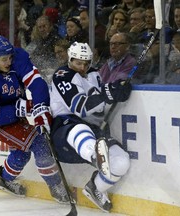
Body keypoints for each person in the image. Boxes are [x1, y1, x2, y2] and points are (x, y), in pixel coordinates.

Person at [0, 35, 68, 203]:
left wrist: (41, 107)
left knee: (22, 152)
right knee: (39, 143)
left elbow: (37, 82)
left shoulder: (18, 57)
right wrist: (27, 107)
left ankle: (5, 180)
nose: (9, 62)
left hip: (17, 112)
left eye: (10, 57)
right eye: (4, 59)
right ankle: (56, 187)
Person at [50, 41, 132, 212]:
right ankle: (96, 157)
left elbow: (101, 101)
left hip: (93, 133)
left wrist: (118, 89)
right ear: (70, 59)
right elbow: (79, 107)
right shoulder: (62, 74)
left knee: (121, 161)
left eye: (86, 63)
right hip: (65, 132)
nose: (82, 67)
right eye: (78, 63)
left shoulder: (95, 74)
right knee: (81, 129)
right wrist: (107, 93)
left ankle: (96, 187)